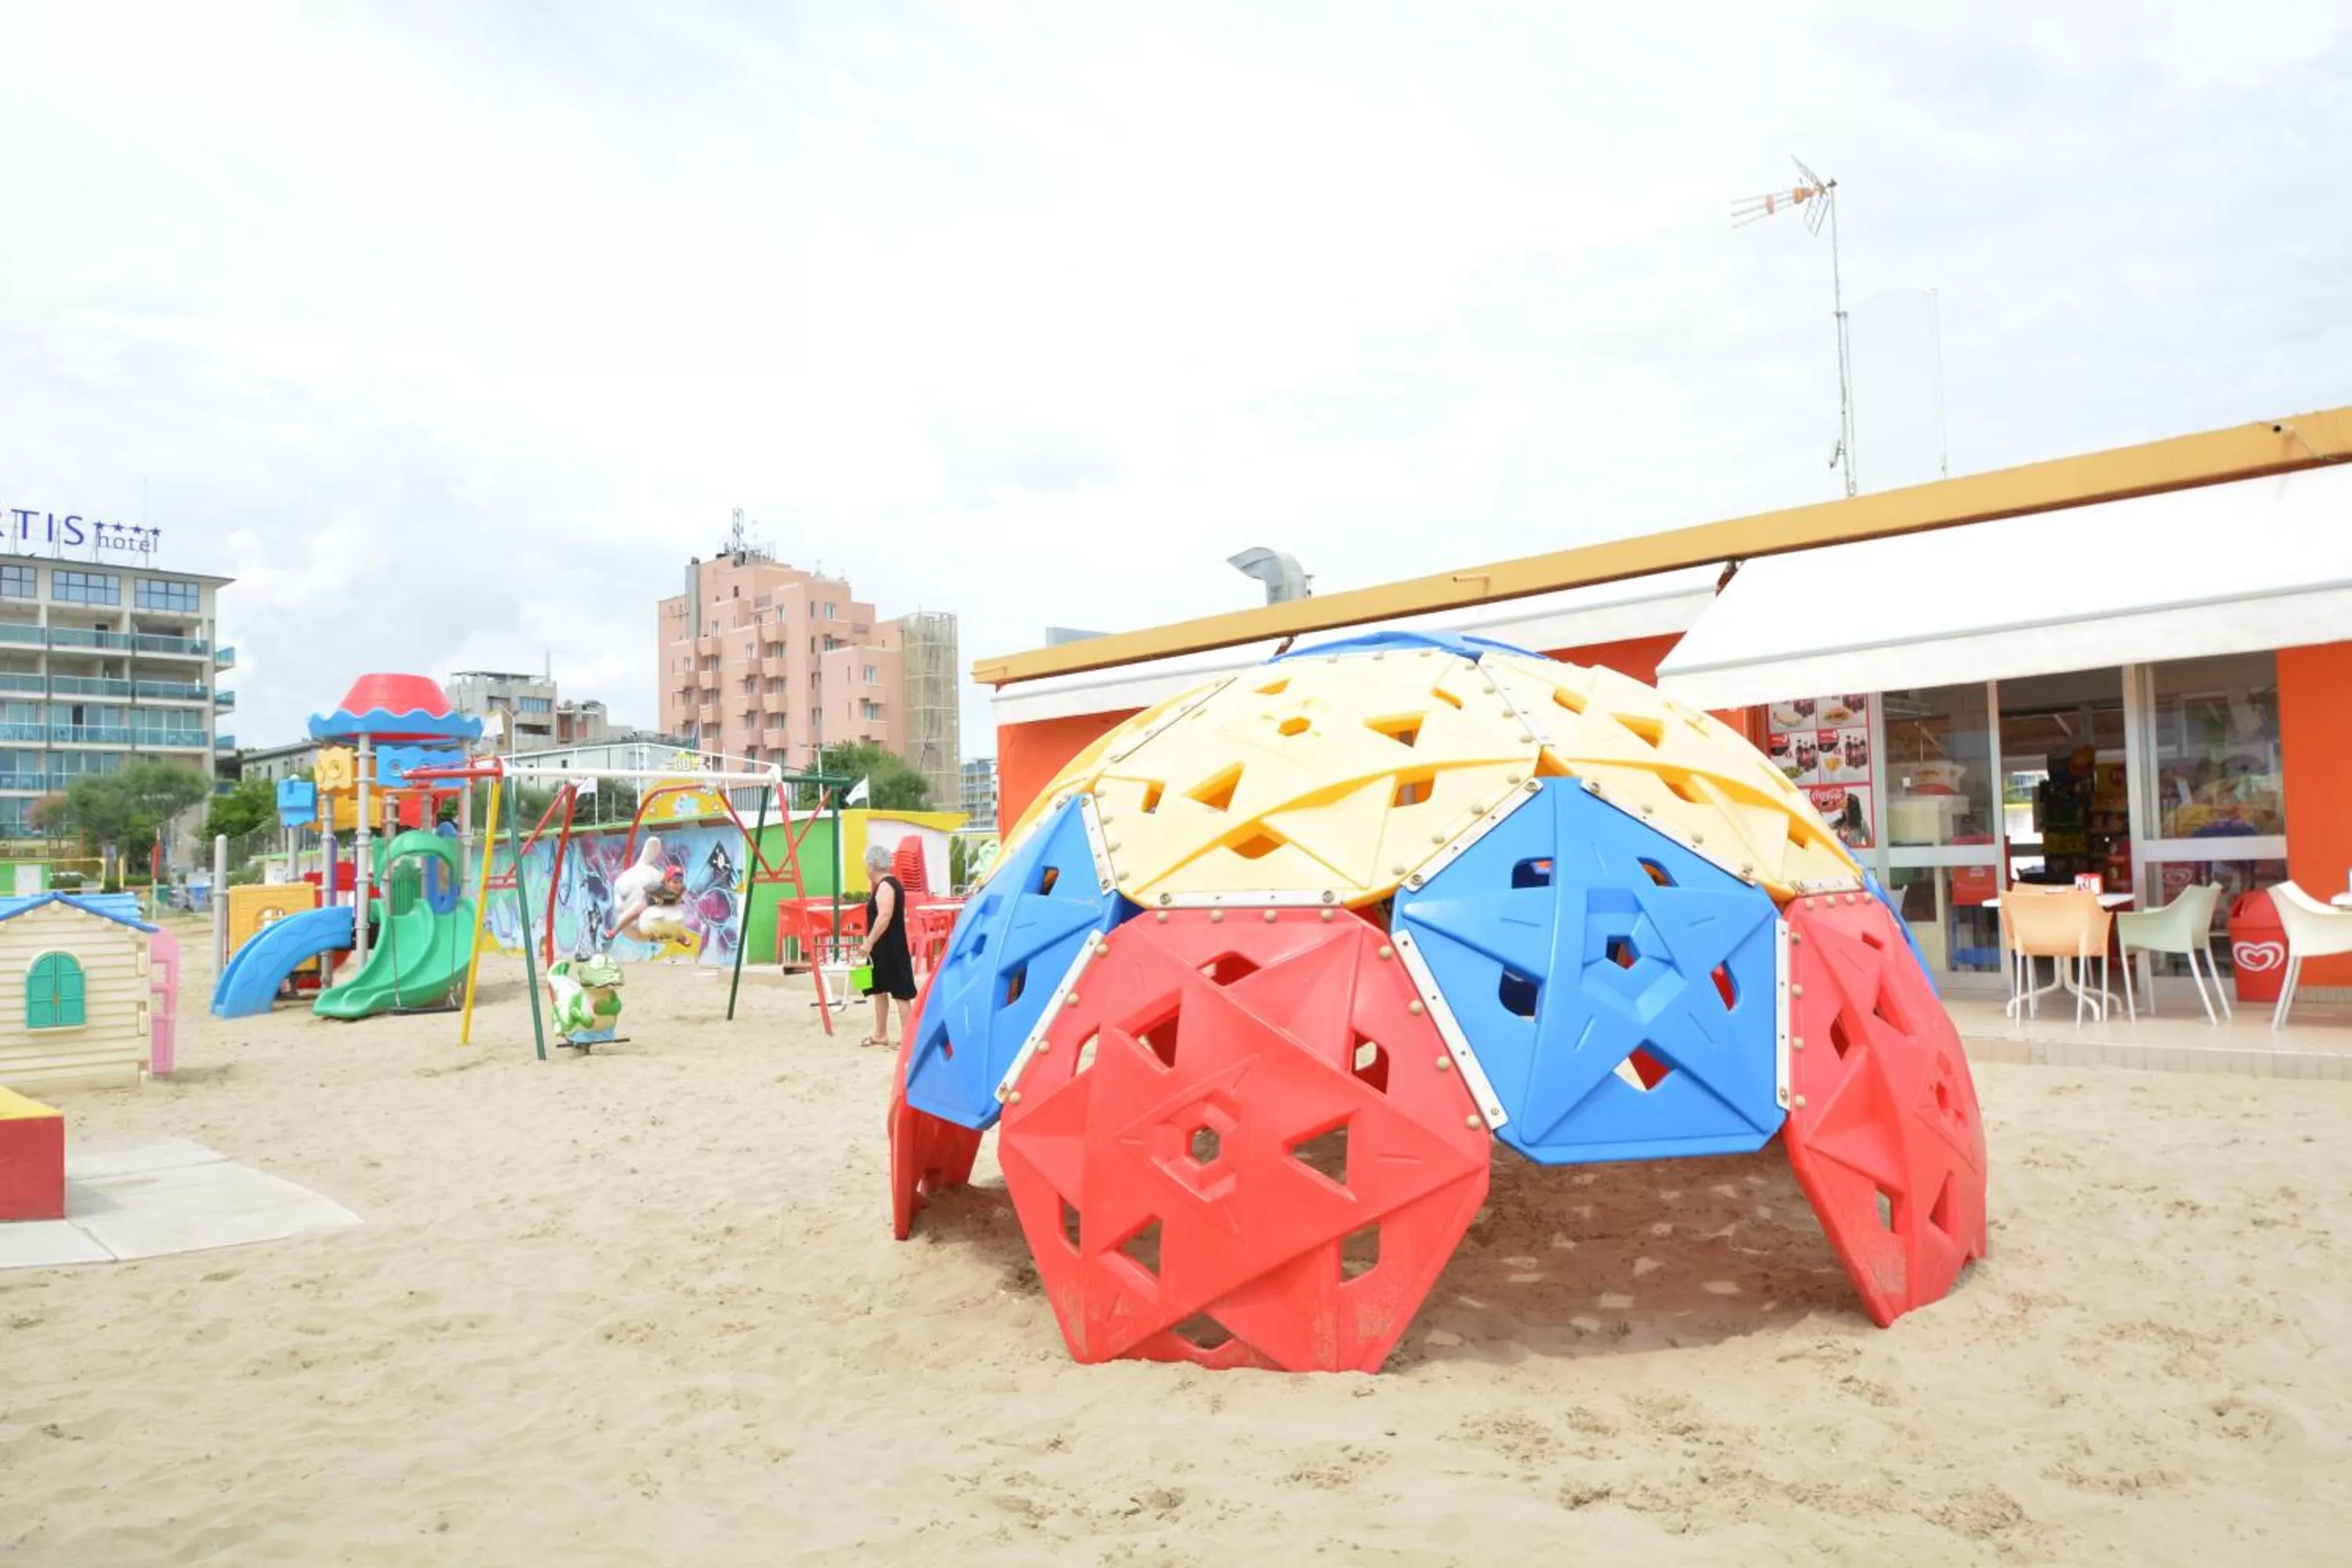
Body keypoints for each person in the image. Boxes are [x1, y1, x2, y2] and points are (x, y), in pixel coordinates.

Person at [857, 842, 917, 1047]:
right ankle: (880, 1034)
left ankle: (907, 1040)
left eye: (866, 863)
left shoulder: (886, 886)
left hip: (891, 948)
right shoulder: (887, 885)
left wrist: (868, 943)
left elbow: (884, 917)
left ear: (872, 865)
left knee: (901, 994)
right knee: (879, 991)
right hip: (883, 949)